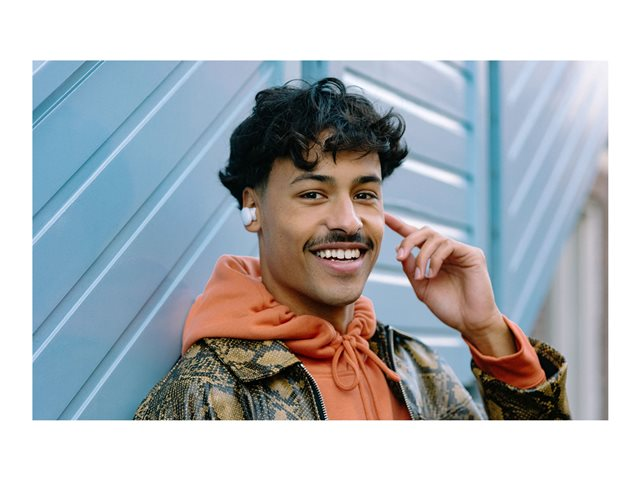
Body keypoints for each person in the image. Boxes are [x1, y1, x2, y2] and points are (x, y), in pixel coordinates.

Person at [133, 77, 570, 420]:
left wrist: (486, 330)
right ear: (254, 208)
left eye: (364, 194)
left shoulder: (415, 369)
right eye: (313, 194)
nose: (349, 221)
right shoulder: (206, 393)